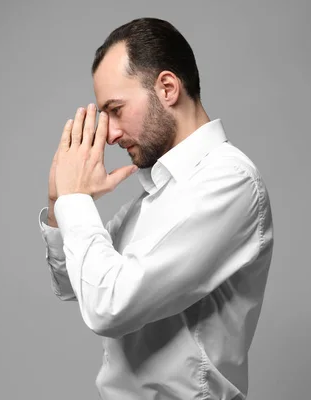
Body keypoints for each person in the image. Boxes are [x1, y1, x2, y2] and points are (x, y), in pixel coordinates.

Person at [38, 17, 274, 400]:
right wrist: (58, 203)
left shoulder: (229, 182)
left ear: (167, 88)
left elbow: (108, 307)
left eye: (116, 109)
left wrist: (75, 199)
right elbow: (74, 284)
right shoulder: (154, 196)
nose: (110, 133)